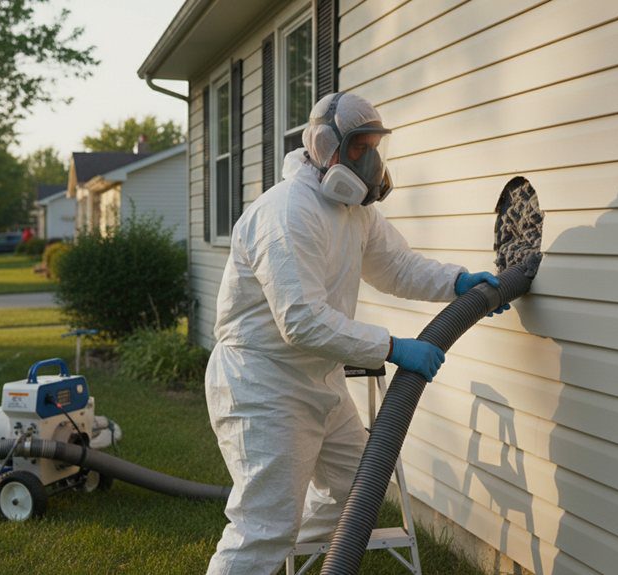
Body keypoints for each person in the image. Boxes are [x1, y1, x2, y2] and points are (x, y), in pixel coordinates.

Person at [204, 92, 508, 575]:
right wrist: (392, 348)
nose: (371, 162)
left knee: (356, 486)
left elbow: (397, 266)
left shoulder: (354, 210)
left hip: (318, 381)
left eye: (374, 147)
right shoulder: (287, 214)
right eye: (359, 149)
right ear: (326, 147)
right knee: (261, 525)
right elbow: (301, 319)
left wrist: (457, 283)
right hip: (263, 384)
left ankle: (291, 552)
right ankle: (268, 549)